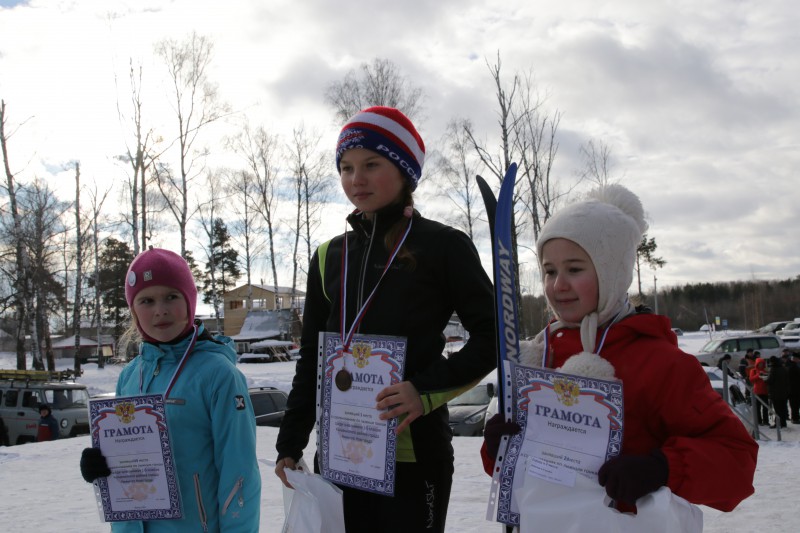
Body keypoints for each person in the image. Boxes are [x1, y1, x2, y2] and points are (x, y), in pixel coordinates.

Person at [274, 106, 496, 532]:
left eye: (371, 164)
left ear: (404, 171)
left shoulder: (443, 245)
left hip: (413, 455)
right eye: (346, 167)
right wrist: (290, 442)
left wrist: (422, 391)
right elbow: (312, 358)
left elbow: (493, 338)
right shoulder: (329, 256)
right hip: (341, 452)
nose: (356, 179)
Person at [482, 184, 757, 514]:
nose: (558, 285)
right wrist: (499, 449)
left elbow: (737, 461)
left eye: (574, 269)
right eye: (550, 271)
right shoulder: (539, 356)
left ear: (611, 272)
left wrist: (660, 468)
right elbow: (520, 475)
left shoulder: (661, 362)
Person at [78, 248, 261, 532]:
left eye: (171, 297)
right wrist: (101, 466)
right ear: (134, 310)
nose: (160, 310)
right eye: (147, 300)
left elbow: (240, 473)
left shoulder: (218, 375)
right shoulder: (130, 376)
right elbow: (126, 460)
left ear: (189, 301)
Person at [767, 356, 789, 429]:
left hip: (775, 393)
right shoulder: (783, 369)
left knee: (777, 409)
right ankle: (783, 423)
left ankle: (778, 423)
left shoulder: (773, 369)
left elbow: (770, 380)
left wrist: (765, 380)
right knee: (783, 408)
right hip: (784, 392)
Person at [750, 357, 770, 426]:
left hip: (765, 391)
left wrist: (766, 376)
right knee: (757, 408)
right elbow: (751, 379)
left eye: (762, 363)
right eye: (760, 363)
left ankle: (766, 421)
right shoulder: (753, 371)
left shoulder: (765, 371)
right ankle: (759, 421)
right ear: (757, 364)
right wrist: (758, 375)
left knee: (765, 407)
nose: (761, 365)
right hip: (757, 392)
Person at [787, 352, 800, 424]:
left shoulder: (791, 365)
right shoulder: (793, 366)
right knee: (795, 404)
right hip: (794, 389)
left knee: (795, 404)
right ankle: (795, 418)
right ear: (795, 359)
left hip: (793, 389)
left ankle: (795, 417)